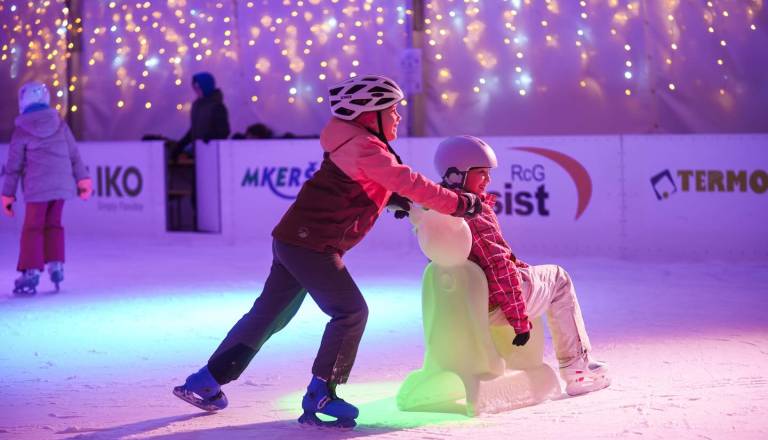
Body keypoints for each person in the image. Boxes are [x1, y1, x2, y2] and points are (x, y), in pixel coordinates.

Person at [173, 75, 482, 428]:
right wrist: (459, 203)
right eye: (392, 110)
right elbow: (407, 180)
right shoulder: (367, 148)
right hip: (312, 245)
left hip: (293, 239)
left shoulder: (356, 142)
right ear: (370, 115)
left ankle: (205, 381)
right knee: (350, 312)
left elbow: (372, 183)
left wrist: (391, 199)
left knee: (269, 316)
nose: (397, 116)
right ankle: (322, 392)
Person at [433, 135, 610, 397]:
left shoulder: (437, 205)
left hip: (464, 304)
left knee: (533, 273)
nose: (488, 179)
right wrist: (519, 319)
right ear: (457, 175)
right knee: (559, 278)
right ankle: (577, 369)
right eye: (480, 173)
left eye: (488, 172)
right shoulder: (474, 214)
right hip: (495, 303)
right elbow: (498, 266)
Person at [1, 81, 92, 295]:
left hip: (38, 189)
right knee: (54, 224)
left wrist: (7, 195)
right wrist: (83, 180)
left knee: (33, 227)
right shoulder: (60, 123)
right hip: (61, 186)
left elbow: (13, 168)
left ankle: (31, 271)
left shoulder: (22, 129)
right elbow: (74, 155)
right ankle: (56, 264)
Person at [166, 72, 230, 162]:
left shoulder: (217, 106)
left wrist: (209, 138)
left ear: (206, 87)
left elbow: (224, 131)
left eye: (199, 88)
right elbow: (194, 129)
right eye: (195, 88)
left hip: (212, 153)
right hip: (198, 152)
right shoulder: (197, 105)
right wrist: (180, 145)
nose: (196, 91)